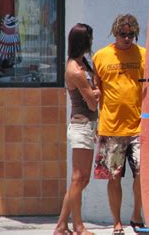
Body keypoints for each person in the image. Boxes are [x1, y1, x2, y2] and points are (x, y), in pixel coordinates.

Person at [92, 14, 145, 235]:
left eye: (130, 35)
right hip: (111, 128)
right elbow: (95, 93)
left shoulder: (143, 55)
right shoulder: (101, 57)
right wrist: (95, 124)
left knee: (143, 173)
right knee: (113, 178)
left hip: (139, 126)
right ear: (115, 32)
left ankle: (136, 214)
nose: (126, 38)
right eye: (122, 34)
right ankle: (116, 223)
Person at [54, 23, 100, 235]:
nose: (91, 42)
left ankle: (62, 225)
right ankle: (78, 226)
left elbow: (93, 93)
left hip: (87, 125)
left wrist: (95, 91)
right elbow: (92, 103)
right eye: (89, 39)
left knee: (80, 178)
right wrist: (97, 92)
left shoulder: (83, 65)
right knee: (80, 178)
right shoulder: (75, 70)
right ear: (84, 41)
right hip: (81, 125)